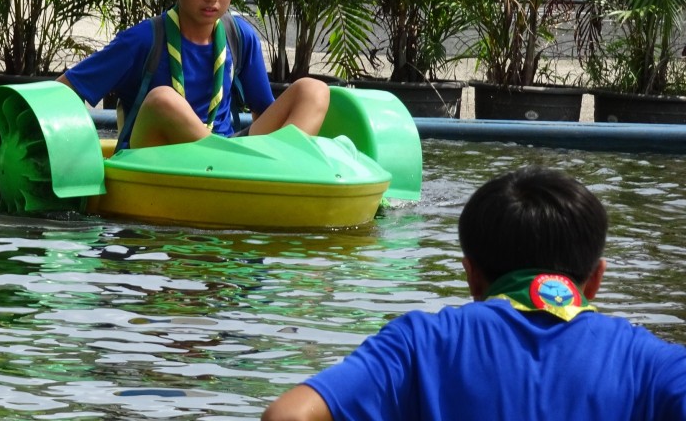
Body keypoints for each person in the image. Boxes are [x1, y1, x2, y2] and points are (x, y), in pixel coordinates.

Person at [262, 167, 686, 421]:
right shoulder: (653, 362)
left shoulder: (418, 343)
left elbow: (287, 415)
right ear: (595, 279)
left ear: (472, 276)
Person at [58, 0, 329, 149]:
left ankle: (283, 172)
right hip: (160, 158)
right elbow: (64, 89)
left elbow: (264, 110)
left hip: (230, 153)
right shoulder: (143, 39)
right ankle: (229, 164)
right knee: (163, 98)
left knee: (313, 90)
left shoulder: (239, 36)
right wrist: (75, 154)